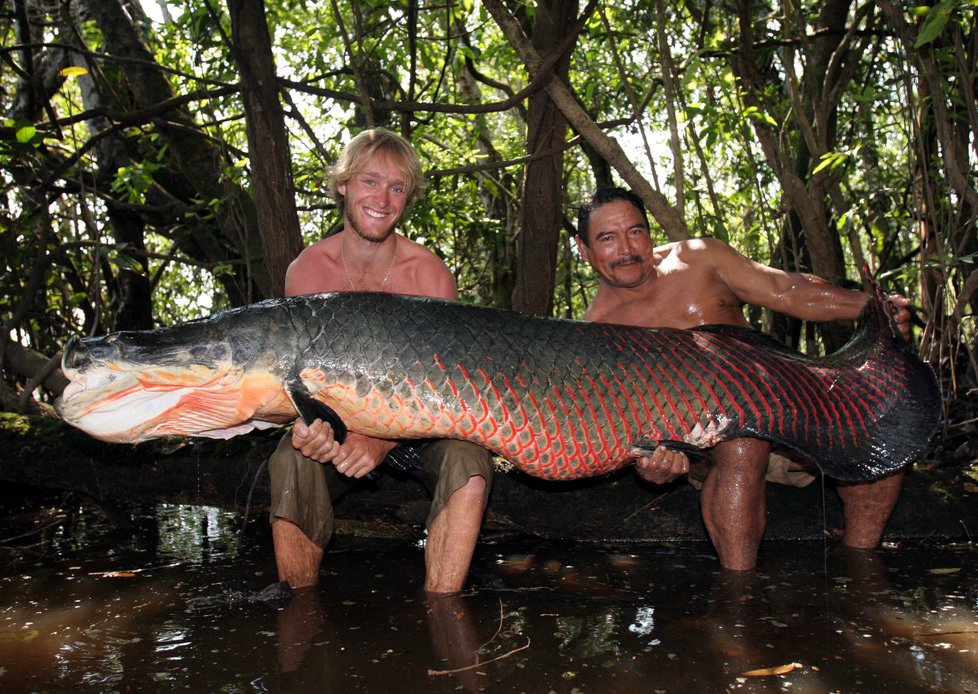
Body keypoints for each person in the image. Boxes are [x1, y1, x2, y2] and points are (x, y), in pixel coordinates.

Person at [575, 186, 912, 571]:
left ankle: (863, 571)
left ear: (649, 233)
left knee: (879, 433)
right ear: (584, 250)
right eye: (607, 238)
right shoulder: (595, 335)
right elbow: (625, 425)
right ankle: (739, 599)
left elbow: (785, 290)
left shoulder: (700, 259)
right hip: (706, 444)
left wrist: (869, 307)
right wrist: (648, 462)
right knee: (743, 441)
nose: (627, 249)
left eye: (635, 231)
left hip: (786, 408)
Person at [269, 128, 492, 593]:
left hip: (420, 431)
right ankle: (298, 611)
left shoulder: (427, 274)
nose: (383, 199)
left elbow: (447, 392)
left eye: (397, 188)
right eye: (370, 181)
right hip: (339, 432)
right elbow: (303, 385)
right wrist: (314, 430)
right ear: (344, 185)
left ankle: (443, 612)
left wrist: (382, 443)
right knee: (291, 458)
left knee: (469, 462)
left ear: (408, 200)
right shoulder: (308, 271)